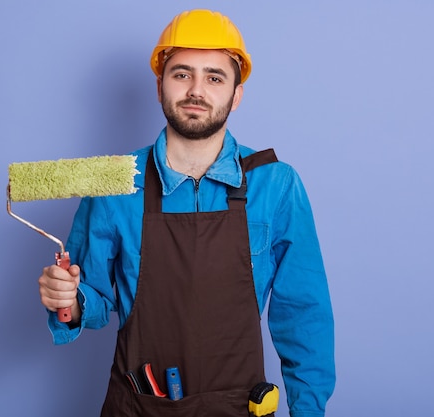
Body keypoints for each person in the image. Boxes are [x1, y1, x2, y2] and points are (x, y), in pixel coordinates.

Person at [38, 9, 335, 417]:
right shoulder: (115, 181)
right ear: (159, 84)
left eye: (214, 77)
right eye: (182, 74)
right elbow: (94, 299)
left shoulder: (276, 185)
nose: (197, 90)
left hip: (240, 407)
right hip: (139, 406)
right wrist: (68, 299)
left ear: (237, 94)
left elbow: (303, 314)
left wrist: (309, 411)